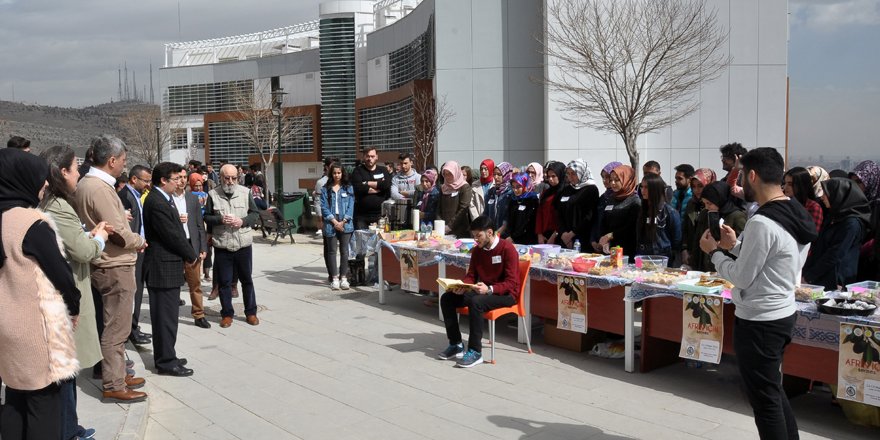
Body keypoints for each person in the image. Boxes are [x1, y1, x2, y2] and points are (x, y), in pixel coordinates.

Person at [699, 147, 816, 440]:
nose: (739, 184)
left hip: (760, 320)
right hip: (781, 312)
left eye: (741, 176)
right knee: (771, 390)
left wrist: (714, 253)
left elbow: (742, 277)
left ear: (752, 175)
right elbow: (778, 258)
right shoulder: (793, 211)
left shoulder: (763, 221)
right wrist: (736, 245)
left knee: (764, 401)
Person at [0, 148, 80, 440]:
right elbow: (62, 275)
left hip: (6, 326)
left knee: (15, 400)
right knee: (44, 405)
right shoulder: (30, 222)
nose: (44, 184)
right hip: (35, 328)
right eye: (38, 178)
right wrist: (75, 307)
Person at [72, 135, 148, 403]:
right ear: (112, 160)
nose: (124, 166)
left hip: (107, 262)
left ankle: (115, 373)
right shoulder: (99, 188)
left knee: (114, 325)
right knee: (117, 328)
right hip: (114, 265)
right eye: (124, 161)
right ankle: (114, 383)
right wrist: (139, 240)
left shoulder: (89, 185)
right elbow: (118, 232)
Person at [39, 146, 107, 440]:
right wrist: (100, 239)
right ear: (63, 172)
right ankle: (68, 431)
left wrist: (86, 235)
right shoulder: (58, 207)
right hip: (70, 296)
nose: (79, 172)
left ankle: (71, 427)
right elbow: (79, 250)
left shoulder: (51, 203)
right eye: (76, 167)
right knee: (66, 372)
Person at [437, 215, 521, 368]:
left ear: (490, 232)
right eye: (474, 236)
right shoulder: (477, 250)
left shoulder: (507, 249)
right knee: (447, 298)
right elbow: (471, 275)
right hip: (482, 290)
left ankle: (475, 352)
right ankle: (456, 343)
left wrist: (490, 289)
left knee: (476, 302)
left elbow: (512, 282)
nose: (476, 240)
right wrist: (463, 286)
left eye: (478, 236)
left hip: (507, 294)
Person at [143, 162, 198, 377]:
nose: (179, 182)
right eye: (175, 179)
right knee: (165, 318)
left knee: (169, 318)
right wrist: (191, 254)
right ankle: (166, 362)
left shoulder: (165, 199)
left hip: (168, 267)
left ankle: (168, 354)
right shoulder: (157, 202)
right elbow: (172, 235)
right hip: (162, 268)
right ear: (163, 180)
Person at [204, 164, 260, 328]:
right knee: (224, 282)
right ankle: (227, 314)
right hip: (223, 244)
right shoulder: (213, 195)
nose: (230, 181)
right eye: (227, 178)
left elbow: (255, 214)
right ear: (220, 177)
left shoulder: (245, 192)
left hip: (243, 244)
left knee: (247, 280)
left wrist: (242, 221)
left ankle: (251, 312)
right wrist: (220, 220)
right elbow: (207, 217)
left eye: (233, 178)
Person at [803, 178, 870, 291]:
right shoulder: (834, 216)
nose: (822, 197)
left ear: (839, 195)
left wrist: (809, 277)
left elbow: (835, 254)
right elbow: (819, 246)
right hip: (821, 277)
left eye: (826, 193)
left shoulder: (851, 223)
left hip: (837, 281)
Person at [118, 164, 152, 346]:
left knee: (137, 291)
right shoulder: (126, 197)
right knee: (133, 292)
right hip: (132, 251)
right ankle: (131, 329)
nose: (148, 184)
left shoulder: (136, 196)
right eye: (145, 180)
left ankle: (134, 327)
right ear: (134, 179)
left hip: (140, 249)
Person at [172, 170, 209, 329]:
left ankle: (199, 315)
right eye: (178, 177)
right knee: (173, 283)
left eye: (184, 177)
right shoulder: (167, 198)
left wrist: (203, 247)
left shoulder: (193, 199)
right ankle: (172, 312)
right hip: (174, 246)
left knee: (195, 283)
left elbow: (200, 226)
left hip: (191, 245)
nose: (181, 181)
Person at [350, 147, 391, 285]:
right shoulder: (358, 171)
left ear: (377, 157)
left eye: (372, 156)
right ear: (364, 157)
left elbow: (387, 186)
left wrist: (366, 183)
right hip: (362, 216)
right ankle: (359, 277)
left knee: (378, 247)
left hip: (380, 216)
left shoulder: (383, 170)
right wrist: (377, 187)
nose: (370, 158)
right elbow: (357, 187)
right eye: (367, 156)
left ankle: (375, 277)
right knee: (360, 247)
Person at [691, 182, 747, 272]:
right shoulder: (705, 214)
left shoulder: (737, 216)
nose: (706, 207)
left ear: (720, 199)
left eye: (709, 203)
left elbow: (742, 247)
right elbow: (698, 239)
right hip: (705, 268)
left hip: (728, 269)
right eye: (704, 203)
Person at [321, 162, 355, 290]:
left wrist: (343, 221)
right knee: (332, 251)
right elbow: (323, 207)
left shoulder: (348, 187)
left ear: (342, 173)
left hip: (345, 223)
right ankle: (334, 278)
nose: (337, 175)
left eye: (339, 173)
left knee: (345, 251)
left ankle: (344, 277)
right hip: (331, 223)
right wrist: (335, 222)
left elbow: (351, 205)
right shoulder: (325, 189)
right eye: (334, 173)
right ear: (331, 174)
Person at [597, 165, 641, 260]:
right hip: (608, 248)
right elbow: (604, 221)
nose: (612, 183)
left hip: (626, 250)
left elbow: (631, 228)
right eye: (611, 180)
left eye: (617, 180)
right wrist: (603, 238)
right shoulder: (611, 198)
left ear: (627, 180)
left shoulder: (635, 202)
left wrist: (611, 236)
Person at [635, 173, 680, 262]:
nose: (643, 190)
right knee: (638, 275)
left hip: (661, 259)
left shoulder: (670, 212)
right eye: (642, 187)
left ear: (655, 189)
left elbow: (676, 240)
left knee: (658, 276)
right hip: (641, 256)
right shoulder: (641, 209)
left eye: (647, 187)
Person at [556, 159, 599, 250]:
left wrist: (571, 234)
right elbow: (559, 213)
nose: (570, 177)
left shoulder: (591, 189)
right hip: (564, 239)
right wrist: (564, 234)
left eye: (573, 174)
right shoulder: (567, 189)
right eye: (568, 174)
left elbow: (589, 216)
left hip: (582, 239)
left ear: (581, 173)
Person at [849, 160, 880, 282]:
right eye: (853, 182)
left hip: (872, 266)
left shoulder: (877, 207)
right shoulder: (853, 205)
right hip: (854, 265)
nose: (855, 186)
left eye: (859, 182)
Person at [681, 168, 716, 270]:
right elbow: (686, 229)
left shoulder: (715, 206)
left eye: (700, 186)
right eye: (694, 186)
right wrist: (684, 249)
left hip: (710, 257)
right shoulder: (691, 204)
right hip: (693, 254)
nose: (696, 190)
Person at [435, 161, 473, 238]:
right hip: (443, 229)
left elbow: (463, 209)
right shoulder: (443, 188)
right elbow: (438, 208)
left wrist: (450, 226)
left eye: (450, 174)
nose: (447, 176)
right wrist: (440, 224)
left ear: (455, 173)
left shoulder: (464, 187)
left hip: (459, 230)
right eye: (445, 174)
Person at [783, 167, 823, 233]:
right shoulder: (784, 203)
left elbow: (811, 233)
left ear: (801, 185)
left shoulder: (813, 207)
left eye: (790, 184)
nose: (785, 187)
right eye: (785, 183)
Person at [536, 161, 566, 245]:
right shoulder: (546, 192)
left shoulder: (565, 192)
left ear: (560, 175)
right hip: (544, 234)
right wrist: (539, 234)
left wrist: (554, 236)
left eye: (553, 176)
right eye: (549, 177)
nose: (550, 179)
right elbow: (539, 213)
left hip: (559, 234)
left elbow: (562, 217)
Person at [505, 172, 539, 244]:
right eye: (513, 187)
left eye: (518, 187)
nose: (515, 190)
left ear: (525, 185)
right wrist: (509, 235)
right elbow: (510, 220)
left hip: (527, 239)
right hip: (512, 240)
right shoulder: (513, 200)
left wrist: (513, 237)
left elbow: (527, 221)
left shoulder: (532, 200)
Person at [484, 161, 514, 237]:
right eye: (494, 174)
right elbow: (486, 213)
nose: (496, 177)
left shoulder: (512, 192)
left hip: (506, 235)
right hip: (491, 234)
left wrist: (499, 232)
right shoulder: (491, 192)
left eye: (499, 174)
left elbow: (510, 217)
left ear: (507, 174)